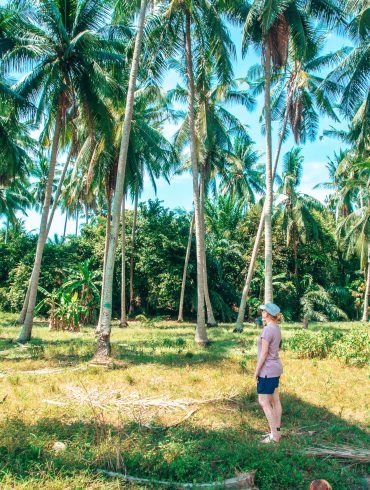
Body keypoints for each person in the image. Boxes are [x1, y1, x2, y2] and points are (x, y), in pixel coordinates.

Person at [254, 303, 283, 443]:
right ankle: (277, 431)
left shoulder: (267, 330)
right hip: (276, 367)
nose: (261, 312)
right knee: (275, 400)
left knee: (263, 401)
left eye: (263, 311)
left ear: (267, 314)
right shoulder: (276, 328)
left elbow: (264, 353)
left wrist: (256, 371)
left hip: (267, 370)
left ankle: (274, 436)